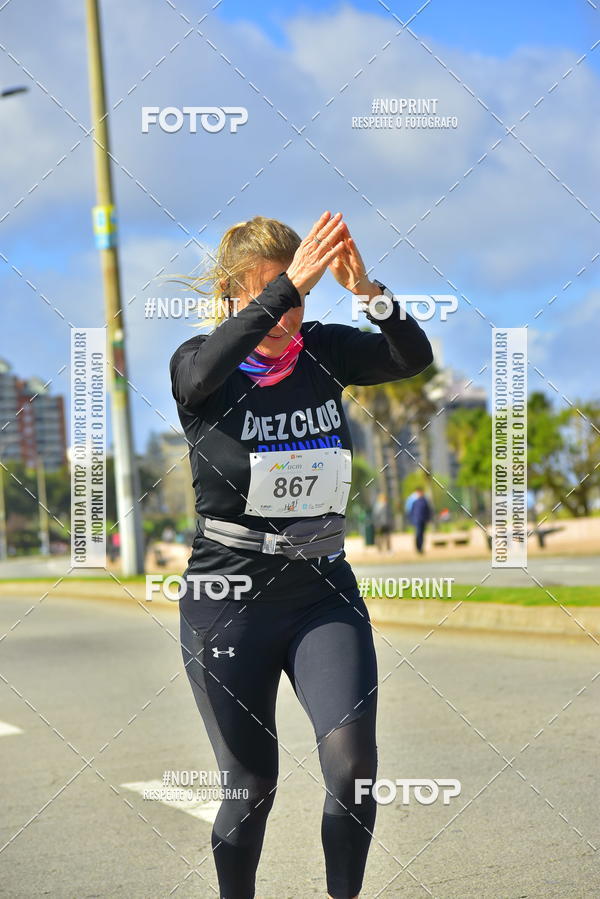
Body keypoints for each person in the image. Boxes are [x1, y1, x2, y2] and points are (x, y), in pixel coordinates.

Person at [169, 211, 433, 899]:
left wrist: (369, 290)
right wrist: (283, 290)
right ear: (232, 293)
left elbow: (412, 358)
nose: (289, 313)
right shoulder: (201, 364)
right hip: (230, 605)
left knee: (352, 767)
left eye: (299, 295)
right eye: (272, 294)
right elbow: (201, 376)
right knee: (252, 785)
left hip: (321, 592)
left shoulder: (322, 351)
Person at [409, 487, 432, 554]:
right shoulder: (415, 502)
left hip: (423, 520)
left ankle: (421, 548)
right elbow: (411, 512)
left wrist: (428, 519)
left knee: (422, 534)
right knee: (418, 534)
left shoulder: (425, 501)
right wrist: (412, 520)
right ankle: (418, 548)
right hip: (416, 520)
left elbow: (428, 511)